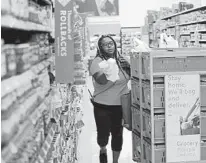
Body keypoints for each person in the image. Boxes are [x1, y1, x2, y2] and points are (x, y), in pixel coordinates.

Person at [89, 35, 130, 163]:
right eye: (105, 44)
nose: (109, 46)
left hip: (120, 105)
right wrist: (110, 68)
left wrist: (128, 65)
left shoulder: (122, 60)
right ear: (100, 47)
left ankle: (115, 161)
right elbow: (101, 81)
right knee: (103, 135)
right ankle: (102, 149)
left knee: (118, 135)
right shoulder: (96, 62)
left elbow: (133, 76)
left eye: (111, 43)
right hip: (102, 106)